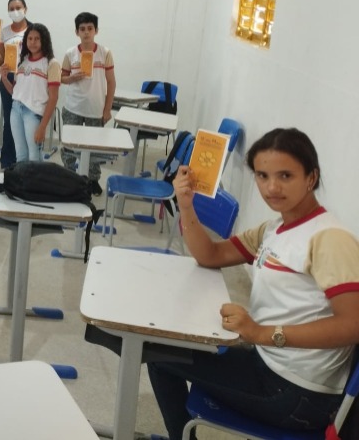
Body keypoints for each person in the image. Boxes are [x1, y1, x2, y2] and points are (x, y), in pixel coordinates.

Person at [148, 128, 359, 440]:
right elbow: (210, 254)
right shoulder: (275, 228)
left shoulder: (329, 239)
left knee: (159, 356)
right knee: (167, 349)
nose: (271, 187)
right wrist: (186, 205)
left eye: (285, 175)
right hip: (271, 366)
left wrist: (262, 333)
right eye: (262, 175)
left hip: (297, 394)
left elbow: (353, 324)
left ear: (311, 178)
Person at [59, 12, 115, 196]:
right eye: (82, 29)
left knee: (93, 148)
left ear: (96, 30)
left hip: (95, 109)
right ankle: (69, 177)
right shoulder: (70, 53)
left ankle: (92, 180)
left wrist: (107, 109)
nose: (86, 32)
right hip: (73, 107)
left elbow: (111, 82)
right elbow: (61, 78)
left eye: (90, 28)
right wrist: (71, 78)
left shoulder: (104, 53)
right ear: (77, 32)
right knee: (69, 146)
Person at [0, 24, 60, 162]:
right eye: (30, 38)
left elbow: (54, 97)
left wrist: (43, 126)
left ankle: (36, 184)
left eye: (37, 38)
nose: (33, 42)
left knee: (34, 156)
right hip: (16, 110)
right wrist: (3, 78)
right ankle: (23, 184)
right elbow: (15, 92)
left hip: (34, 114)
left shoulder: (51, 63)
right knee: (20, 154)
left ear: (44, 40)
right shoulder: (22, 62)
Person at [0, 0, 32, 169]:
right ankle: (8, 160)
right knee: (10, 120)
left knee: (27, 120)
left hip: (28, 78)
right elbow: (1, 61)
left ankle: (26, 161)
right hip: (8, 78)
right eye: (11, 8)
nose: (15, 11)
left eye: (18, 7)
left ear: (25, 9)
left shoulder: (33, 31)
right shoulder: (5, 32)